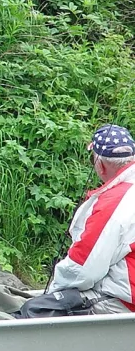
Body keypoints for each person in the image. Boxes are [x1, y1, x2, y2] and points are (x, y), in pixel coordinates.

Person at [26, 124, 135, 316]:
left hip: (124, 303)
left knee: (36, 310)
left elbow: (82, 270)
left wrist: (53, 290)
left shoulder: (115, 202)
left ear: (99, 164)